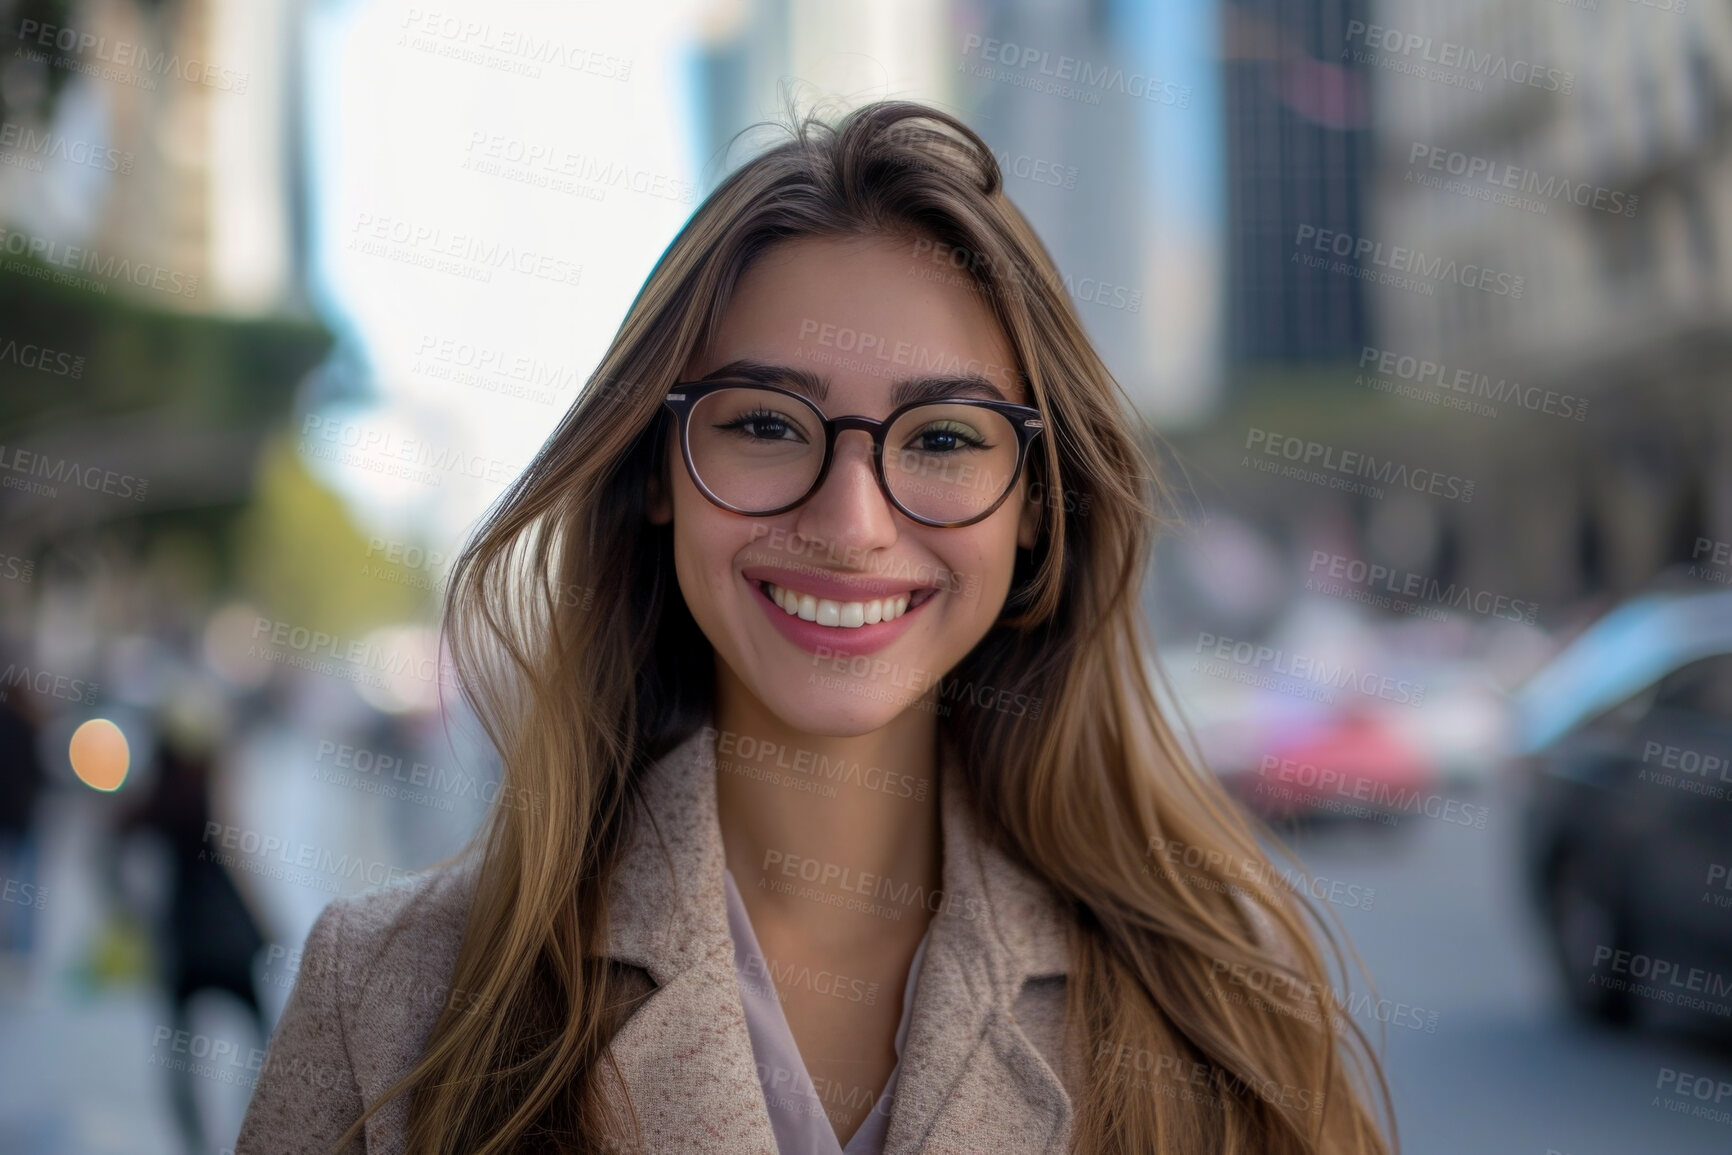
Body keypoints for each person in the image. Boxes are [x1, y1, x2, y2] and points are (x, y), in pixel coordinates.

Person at [237, 101, 1394, 1155]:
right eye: (765, 425)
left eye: (942, 438)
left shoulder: (1227, 1002)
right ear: (657, 471)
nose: (850, 523)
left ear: (1039, 502)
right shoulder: (388, 992)